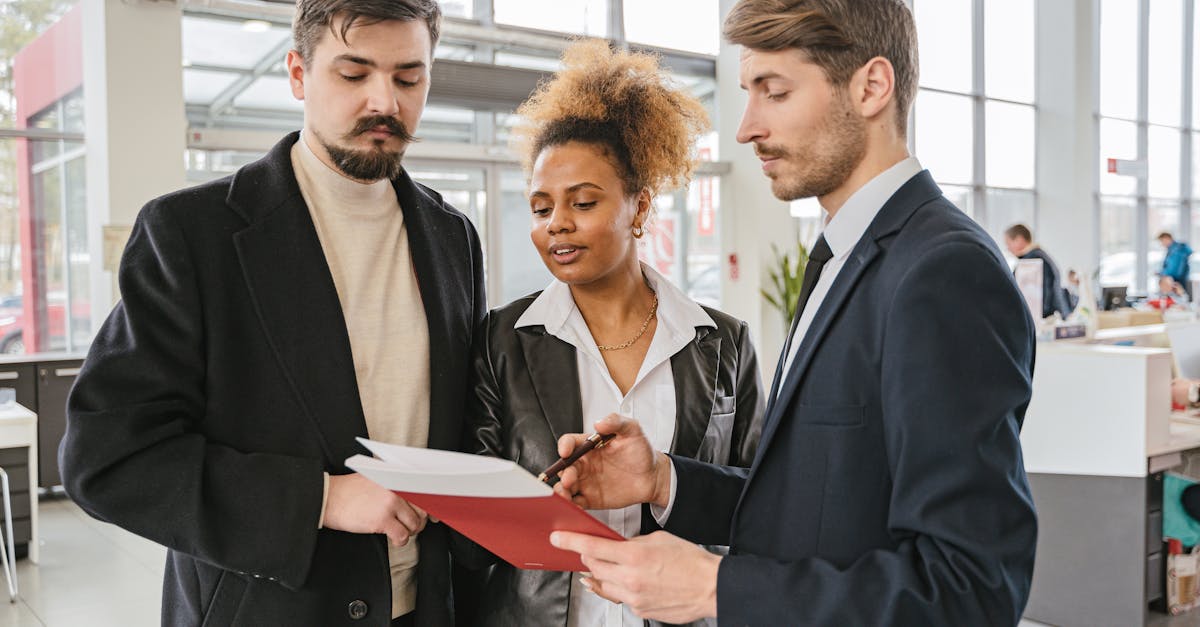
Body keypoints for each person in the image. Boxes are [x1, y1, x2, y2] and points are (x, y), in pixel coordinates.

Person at [545, 1, 1038, 625]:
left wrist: (719, 589)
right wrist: (664, 481)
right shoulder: (844, 255)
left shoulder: (942, 274)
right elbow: (822, 505)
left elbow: (971, 588)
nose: (746, 128)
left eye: (773, 92)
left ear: (872, 87)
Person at [58, 2, 484, 625]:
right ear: (297, 74)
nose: (384, 101)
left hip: (427, 607)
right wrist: (320, 499)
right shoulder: (191, 235)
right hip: (269, 607)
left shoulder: (453, 236)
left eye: (407, 78)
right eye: (353, 73)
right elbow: (107, 459)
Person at [457, 40, 765, 627]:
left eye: (584, 201)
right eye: (541, 207)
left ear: (640, 207)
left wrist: (664, 484)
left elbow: (761, 501)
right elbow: (470, 527)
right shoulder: (502, 339)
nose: (558, 225)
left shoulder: (722, 343)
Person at [1005, 223, 1071, 318]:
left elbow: (1039, 299)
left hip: (1044, 320)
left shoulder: (1032, 261)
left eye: (1008, 244)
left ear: (1019, 240)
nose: (1008, 249)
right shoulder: (1041, 256)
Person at [1160, 231, 1193, 298]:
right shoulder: (1173, 249)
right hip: (1176, 278)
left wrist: (1165, 275)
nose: (1162, 244)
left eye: (1162, 241)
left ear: (1167, 238)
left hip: (1177, 279)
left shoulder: (1177, 250)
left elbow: (1175, 267)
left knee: (1180, 299)